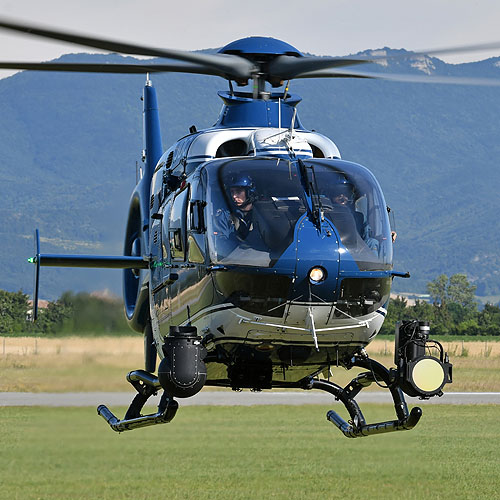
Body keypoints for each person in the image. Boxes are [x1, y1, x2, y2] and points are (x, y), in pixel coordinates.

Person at [213, 174, 269, 256]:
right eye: (232, 192)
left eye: (238, 192)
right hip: (237, 260)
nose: (234, 196)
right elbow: (221, 245)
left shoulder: (263, 213)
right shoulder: (225, 215)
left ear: (249, 192)